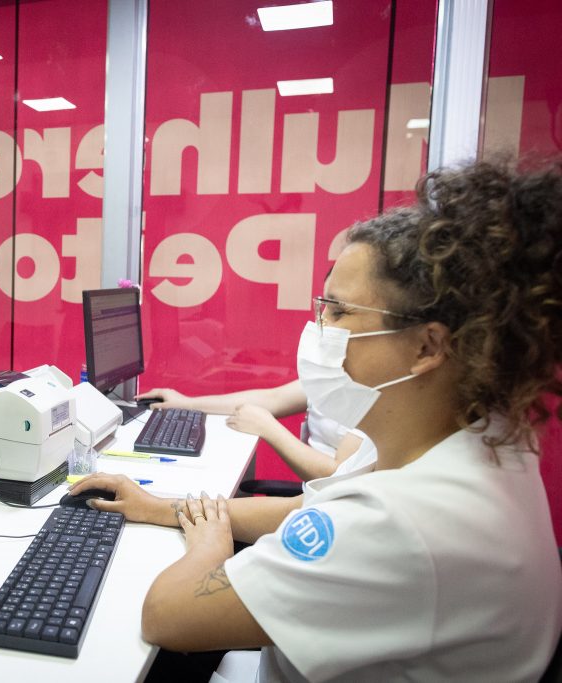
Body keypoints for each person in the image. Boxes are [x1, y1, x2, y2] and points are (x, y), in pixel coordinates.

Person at [75, 159, 562, 681]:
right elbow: (312, 507)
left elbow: (167, 615)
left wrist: (210, 544)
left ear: (428, 346)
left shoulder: (400, 526)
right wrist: (164, 508)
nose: (319, 327)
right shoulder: (478, 436)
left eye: (338, 311)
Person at [136, 381, 372, 481]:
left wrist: (268, 428)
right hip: (311, 500)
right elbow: (274, 397)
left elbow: (340, 476)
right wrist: (186, 403)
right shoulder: (335, 374)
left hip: (327, 508)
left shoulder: (379, 389)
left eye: (339, 312)